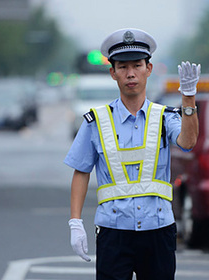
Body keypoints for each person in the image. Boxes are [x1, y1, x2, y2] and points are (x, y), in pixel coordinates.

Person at [65, 28, 200, 280]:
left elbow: (188, 142)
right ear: (112, 72)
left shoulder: (165, 117)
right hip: (113, 231)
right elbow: (81, 171)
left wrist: (188, 99)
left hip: (157, 229)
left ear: (148, 69)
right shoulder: (96, 121)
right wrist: (75, 222)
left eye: (137, 65)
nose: (130, 73)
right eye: (123, 66)